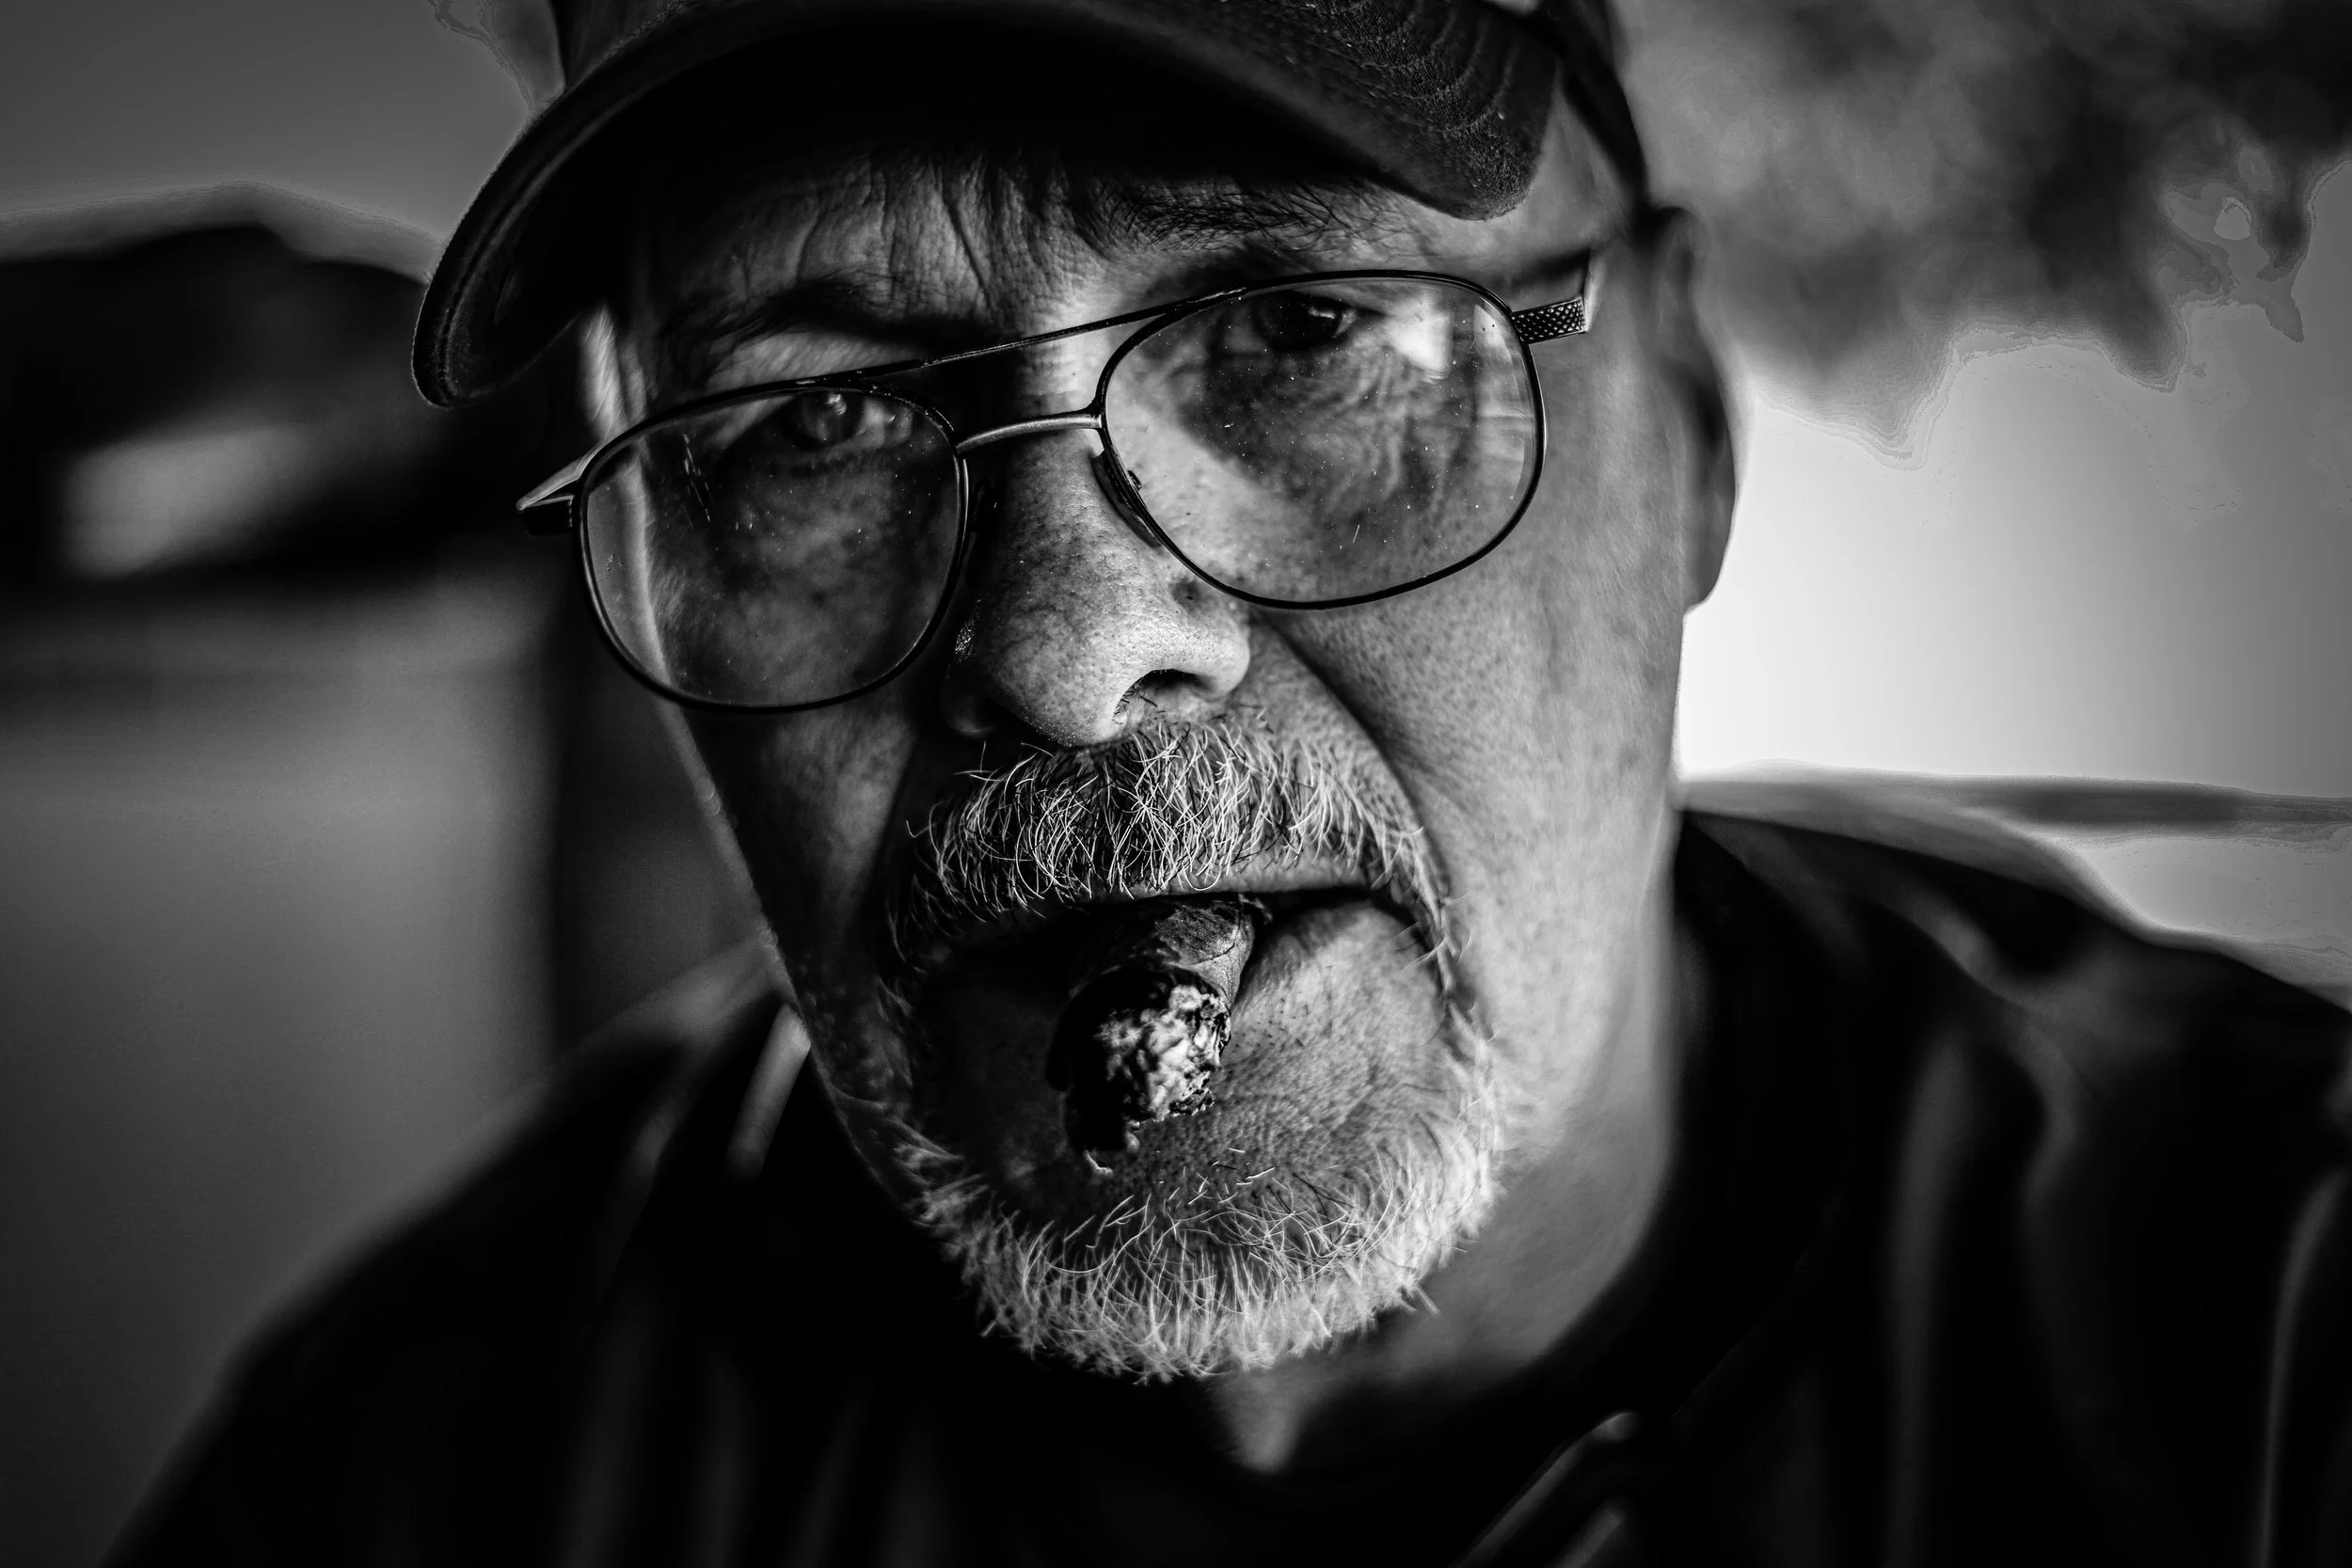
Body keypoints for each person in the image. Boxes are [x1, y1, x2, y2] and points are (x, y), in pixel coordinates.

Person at [115, 2, 2351, 1563]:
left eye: (1296, 327)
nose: (1074, 655)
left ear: (1680, 426)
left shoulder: (2274, 1357)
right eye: (806, 425)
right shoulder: (437, 1466)